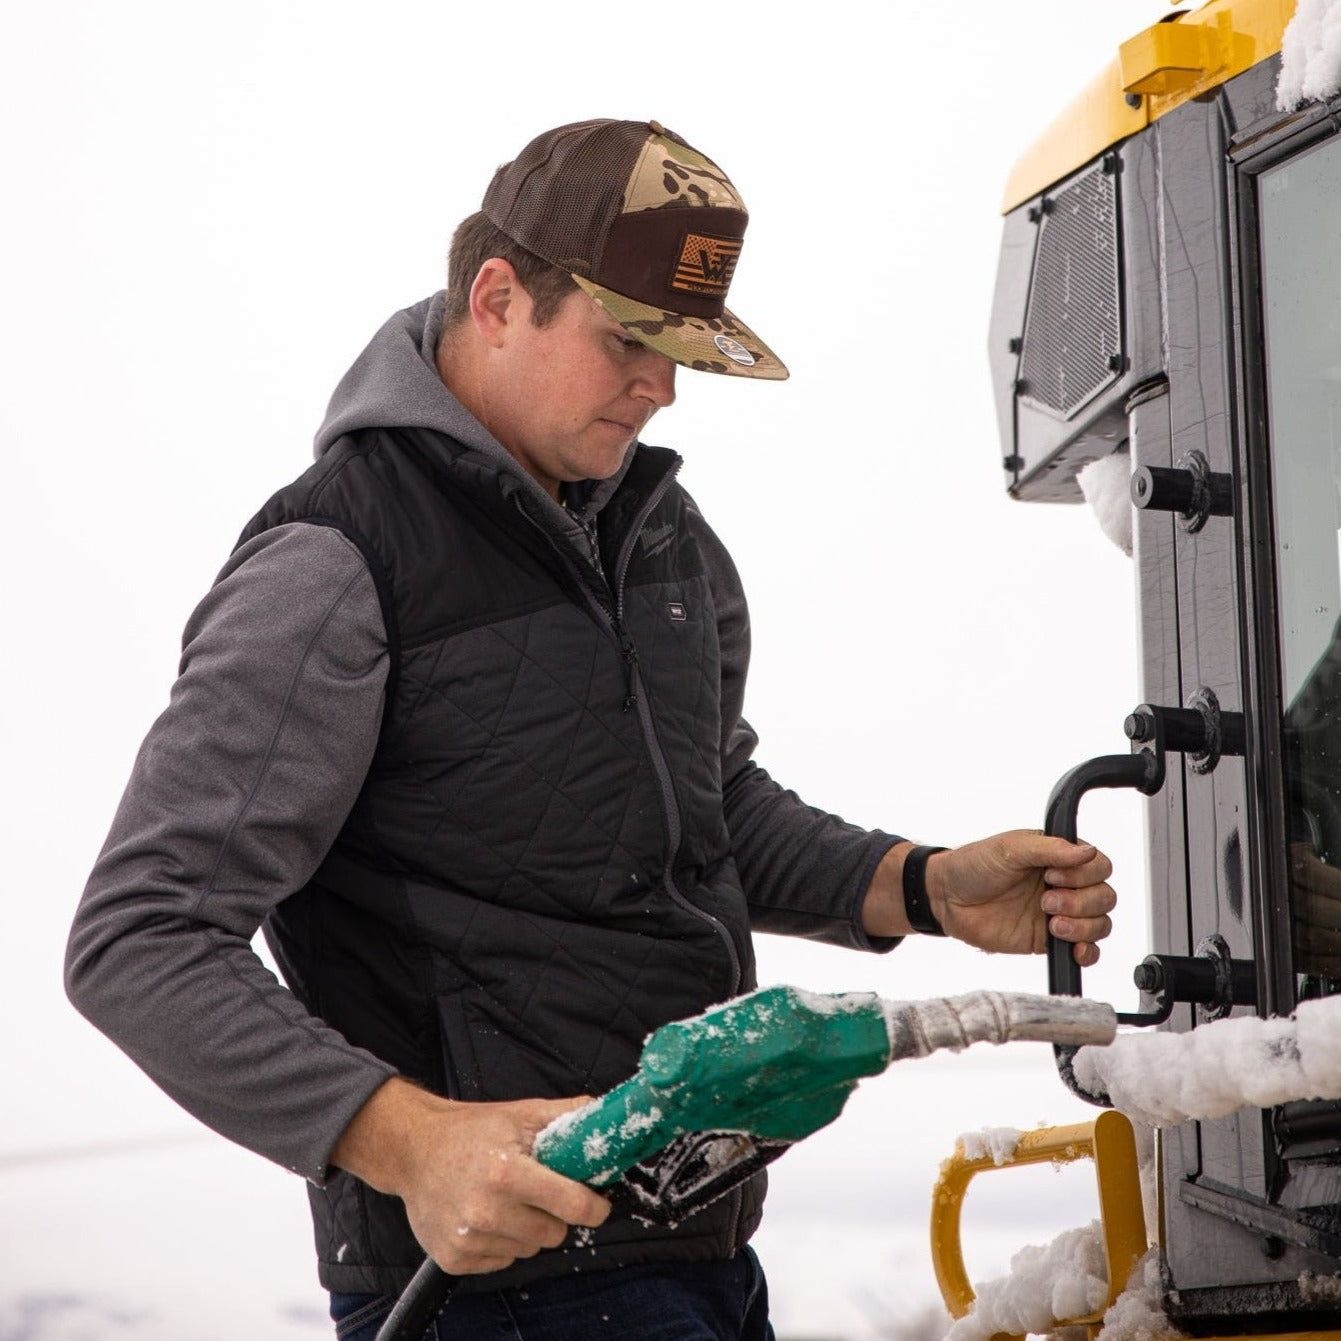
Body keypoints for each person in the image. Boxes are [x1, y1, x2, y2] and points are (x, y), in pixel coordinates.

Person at [65, 118, 1116, 1341]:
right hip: (487, 1296)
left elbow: (705, 812)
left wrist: (921, 886)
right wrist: (410, 1143)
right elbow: (138, 937)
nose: (662, 388)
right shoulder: (335, 562)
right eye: (628, 342)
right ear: (499, 297)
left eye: (680, 354)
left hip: (703, 1255)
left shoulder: (662, 536)